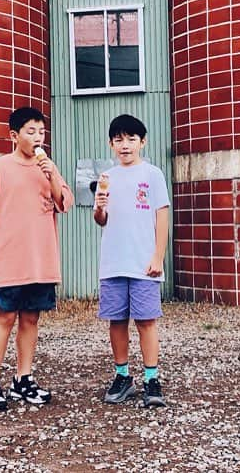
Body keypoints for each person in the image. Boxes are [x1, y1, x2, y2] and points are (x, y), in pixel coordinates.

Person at [0, 106, 73, 412]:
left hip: (40, 258)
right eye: (31, 132)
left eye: (41, 132)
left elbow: (63, 203)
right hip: (8, 257)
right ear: (14, 136)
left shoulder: (49, 167)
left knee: (31, 318)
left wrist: (51, 175)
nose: (37, 137)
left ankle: (23, 378)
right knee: (4, 318)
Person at [93, 113, 170, 408]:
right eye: (119, 140)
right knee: (116, 320)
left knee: (146, 321)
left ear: (142, 142)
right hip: (113, 262)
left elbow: (161, 218)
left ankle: (152, 378)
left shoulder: (152, 174)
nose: (125, 145)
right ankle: (122, 375)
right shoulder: (107, 177)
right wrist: (99, 208)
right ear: (111, 144)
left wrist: (157, 256)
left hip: (143, 262)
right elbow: (101, 220)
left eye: (131, 139)